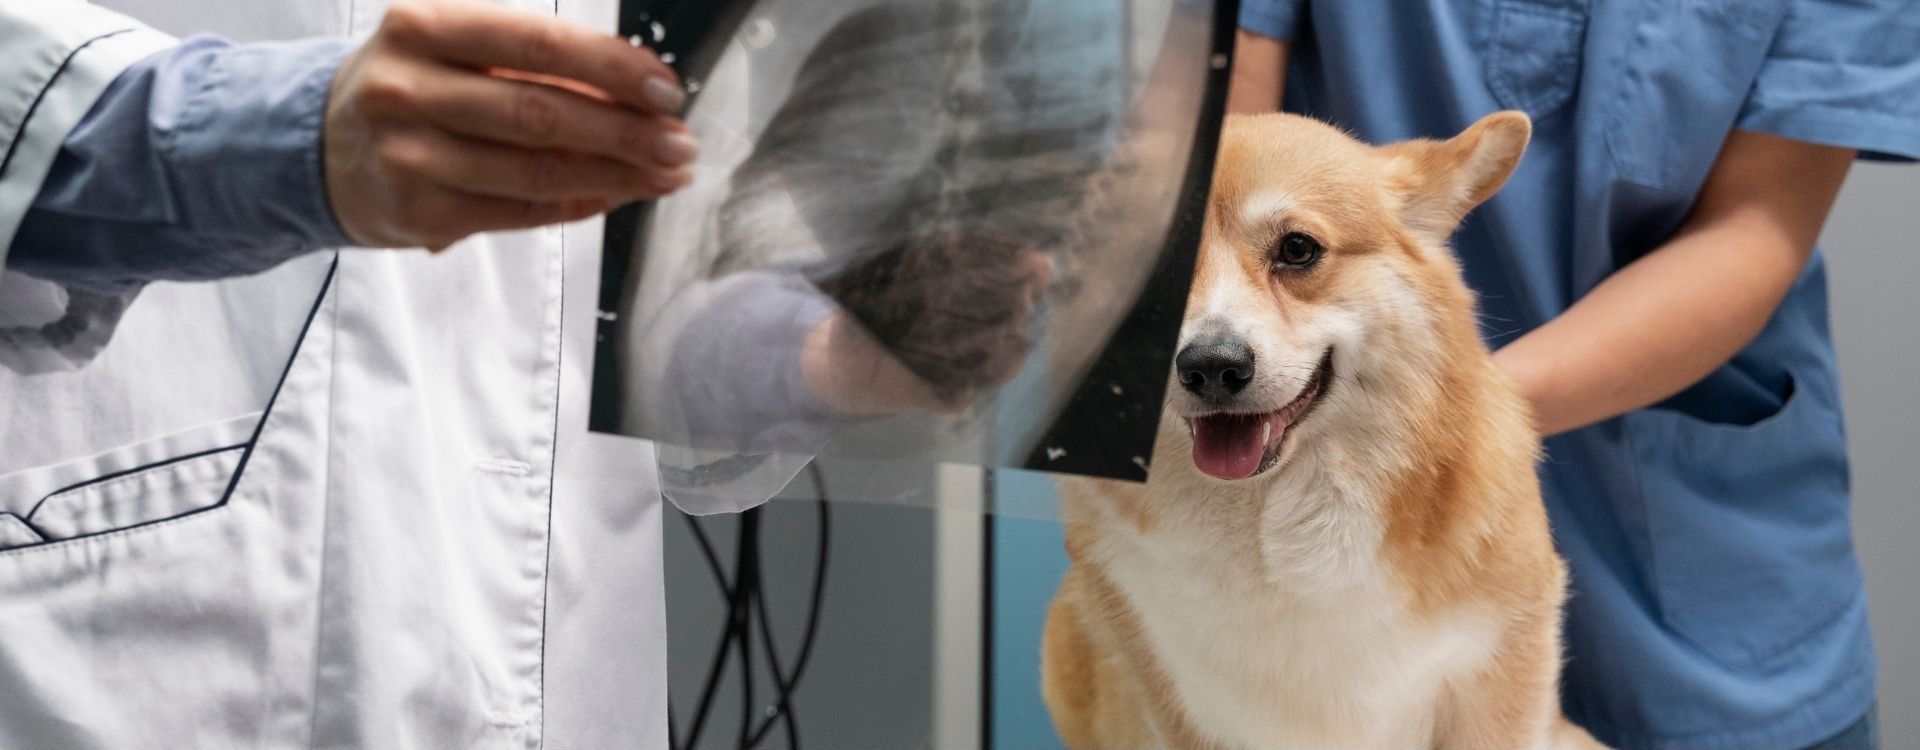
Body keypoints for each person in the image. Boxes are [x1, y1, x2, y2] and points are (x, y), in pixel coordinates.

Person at [0, 0, 1032, 745]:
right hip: (132, 616)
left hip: (572, 641)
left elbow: (656, 309)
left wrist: (829, 361)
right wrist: (181, 138)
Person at [1227, 1, 1917, 748]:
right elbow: (1219, 160)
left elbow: (1756, 224)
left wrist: (1448, 412)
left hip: (1699, 573)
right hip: (1332, 588)